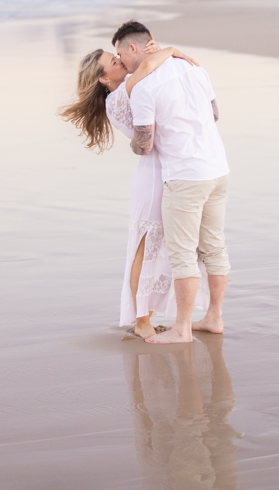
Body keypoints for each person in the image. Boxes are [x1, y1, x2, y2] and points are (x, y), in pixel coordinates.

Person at [60, 39, 208, 339]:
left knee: (167, 246)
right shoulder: (118, 96)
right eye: (112, 62)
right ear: (104, 78)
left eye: (117, 56)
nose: (119, 61)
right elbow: (150, 65)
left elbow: (150, 69)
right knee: (146, 246)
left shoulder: (129, 85)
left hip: (169, 168)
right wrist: (171, 50)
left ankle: (150, 316)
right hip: (153, 177)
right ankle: (141, 320)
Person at [113, 20, 230, 345]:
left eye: (119, 53)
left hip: (184, 176)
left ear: (132, 48)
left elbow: (144, 146)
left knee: (182, 255)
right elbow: (214, 114)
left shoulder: (144, 88)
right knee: (214, 248)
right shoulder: (195, 69)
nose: (120, 61)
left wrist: (135, 142)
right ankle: (214, 317)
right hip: (218, 168)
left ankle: (182, 329)